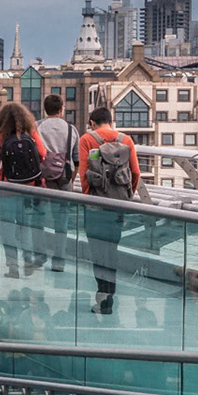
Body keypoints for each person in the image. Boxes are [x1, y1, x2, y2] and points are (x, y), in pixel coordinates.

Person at [79, 105, 140, 315]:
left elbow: (84, 175)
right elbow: (135, 172)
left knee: (97, 253)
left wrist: (89, 199)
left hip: (95, 207)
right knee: (112, 251)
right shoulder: (126, 140)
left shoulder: (87, 140)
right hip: (117, 207)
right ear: (111, 121)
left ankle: (101, 297)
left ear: (93, 123)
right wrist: (125, 196)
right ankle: (110, 296)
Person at [0, 101, 50, 278]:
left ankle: (12, 266)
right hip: (30, 188)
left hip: (7, 187)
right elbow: (43, 154)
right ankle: (28, 259)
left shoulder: (0, 136)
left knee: (7, 227)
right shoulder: (30, 132)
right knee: (25, 225)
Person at [35, 94, 80, 273]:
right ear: (61, 109)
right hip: (64, 180)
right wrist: (71, 179)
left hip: (42, 179)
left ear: (44, 109)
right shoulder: (71, 129)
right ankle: (58, 261)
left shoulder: (37, 127)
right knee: (61, 223)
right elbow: (77, 160)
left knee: (37, 218)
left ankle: (39, 255)